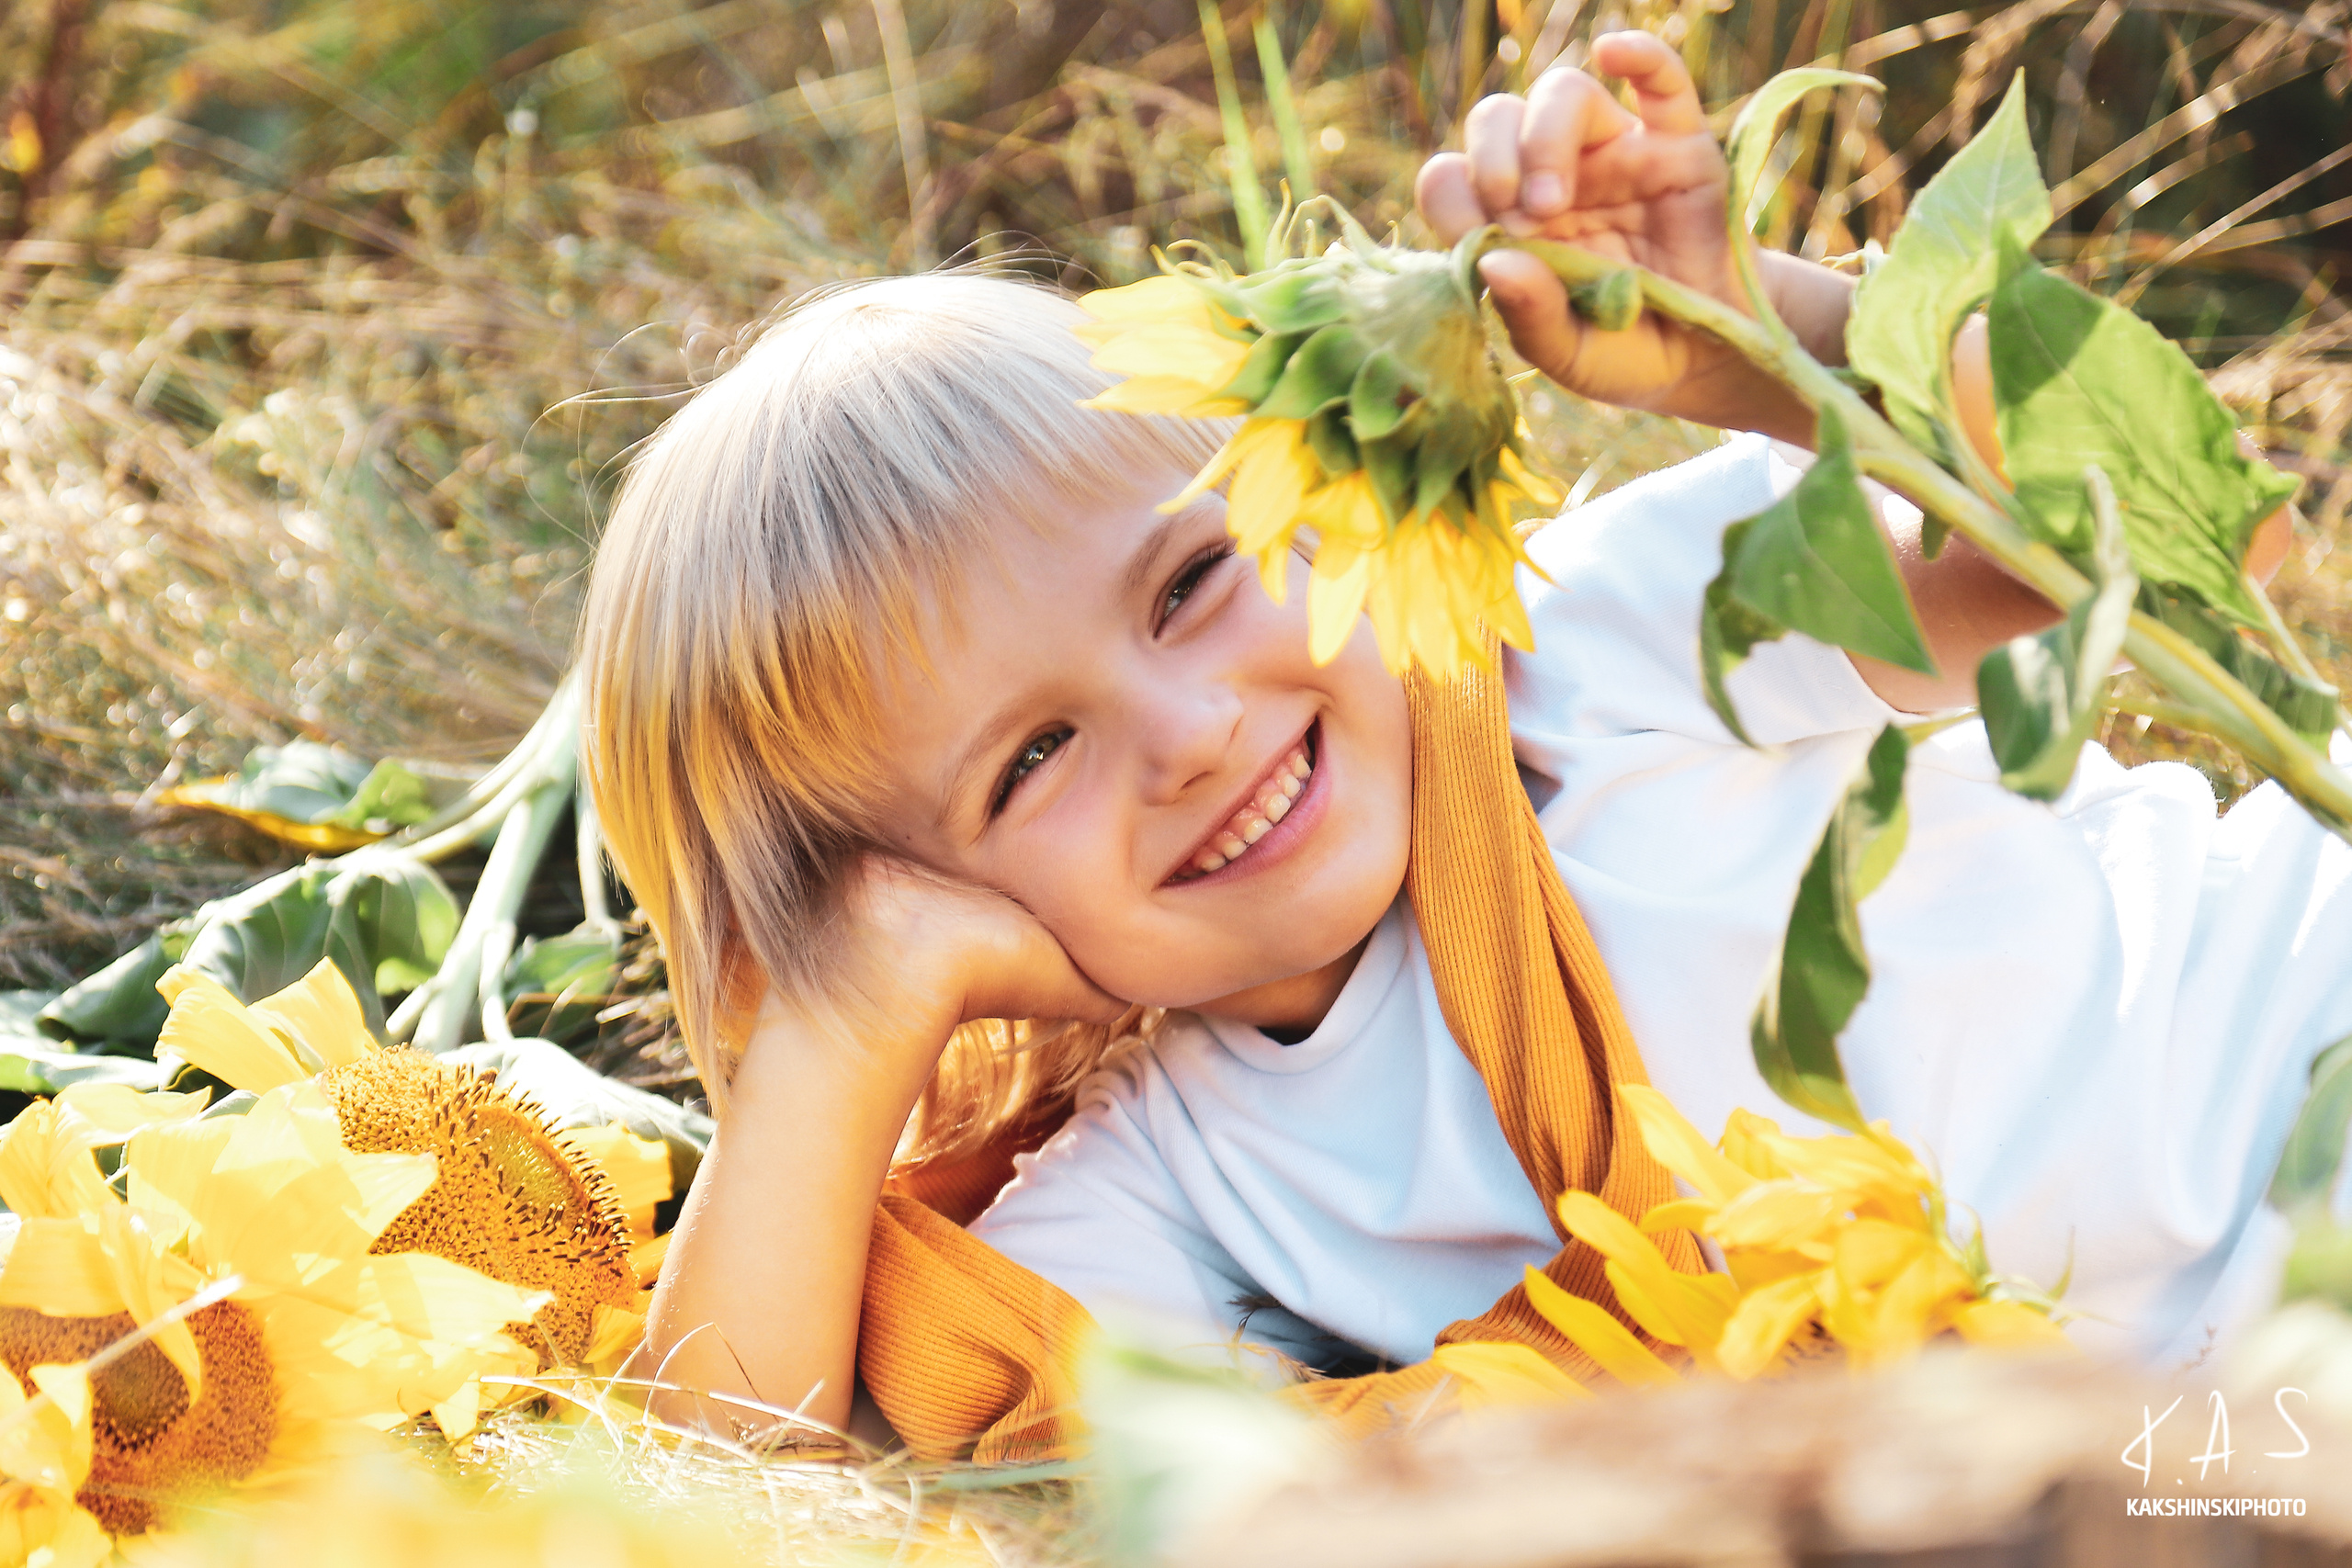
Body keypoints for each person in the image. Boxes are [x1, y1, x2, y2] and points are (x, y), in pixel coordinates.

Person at [576, 30, 2329, 1451]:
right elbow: (729, 1472)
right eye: (1029, 762)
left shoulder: (1585, 652)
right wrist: (838, 1024)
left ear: (1311, 489)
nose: (1189, 732)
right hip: (2206, 1438)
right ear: (929, 896)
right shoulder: (1185, 1174)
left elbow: (2188, 531)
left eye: (1191, 582)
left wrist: (1753, 339)